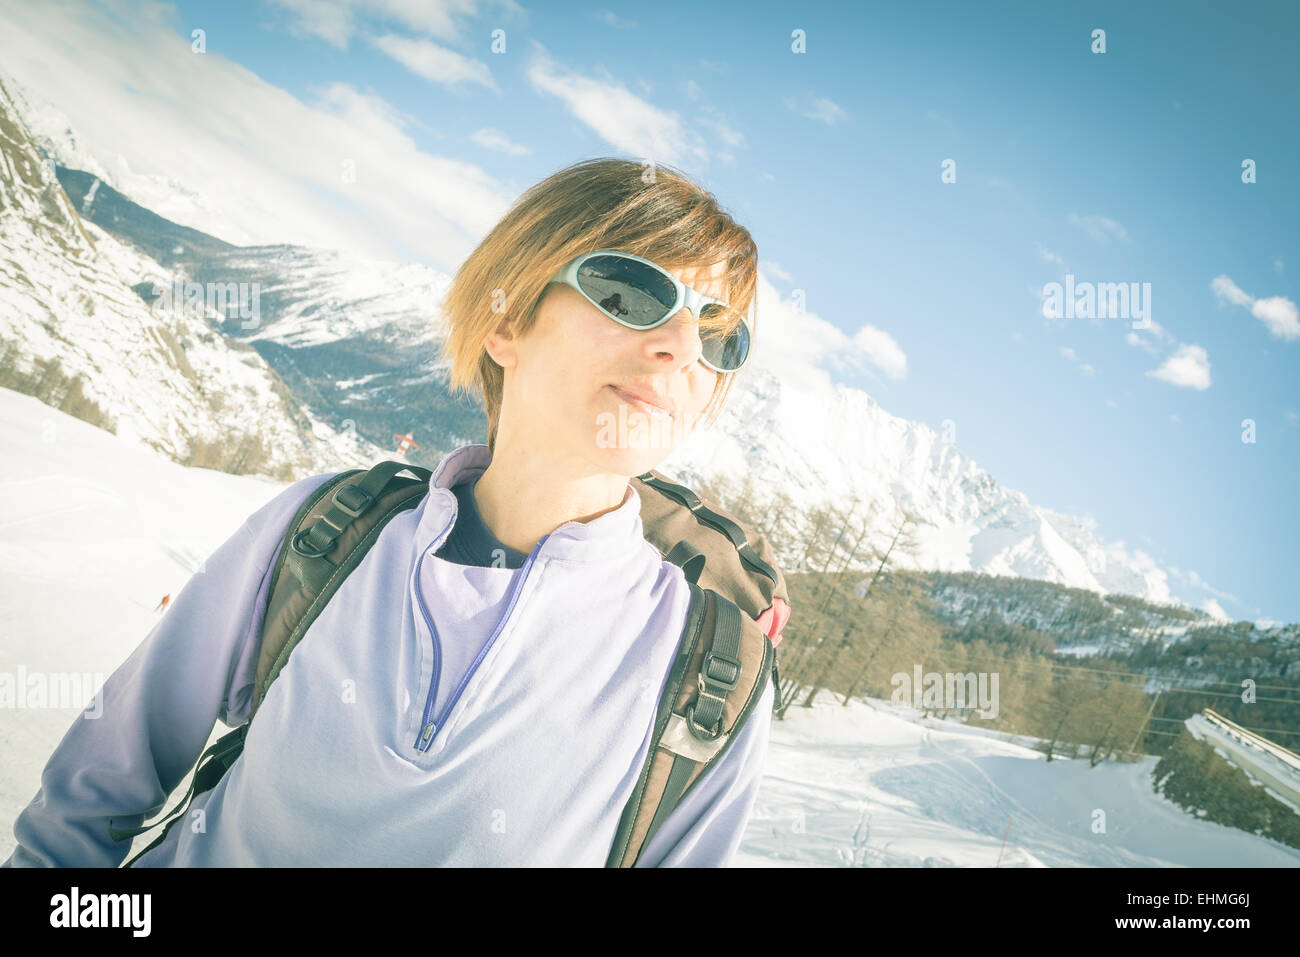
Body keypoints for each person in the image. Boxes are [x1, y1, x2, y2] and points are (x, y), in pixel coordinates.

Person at [3, 157, 778, 867]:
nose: (682, 344)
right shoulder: (331, 529)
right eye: (632, 292)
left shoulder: (712, 674)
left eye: (719, 335)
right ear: (507, 320)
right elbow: (90, 798)